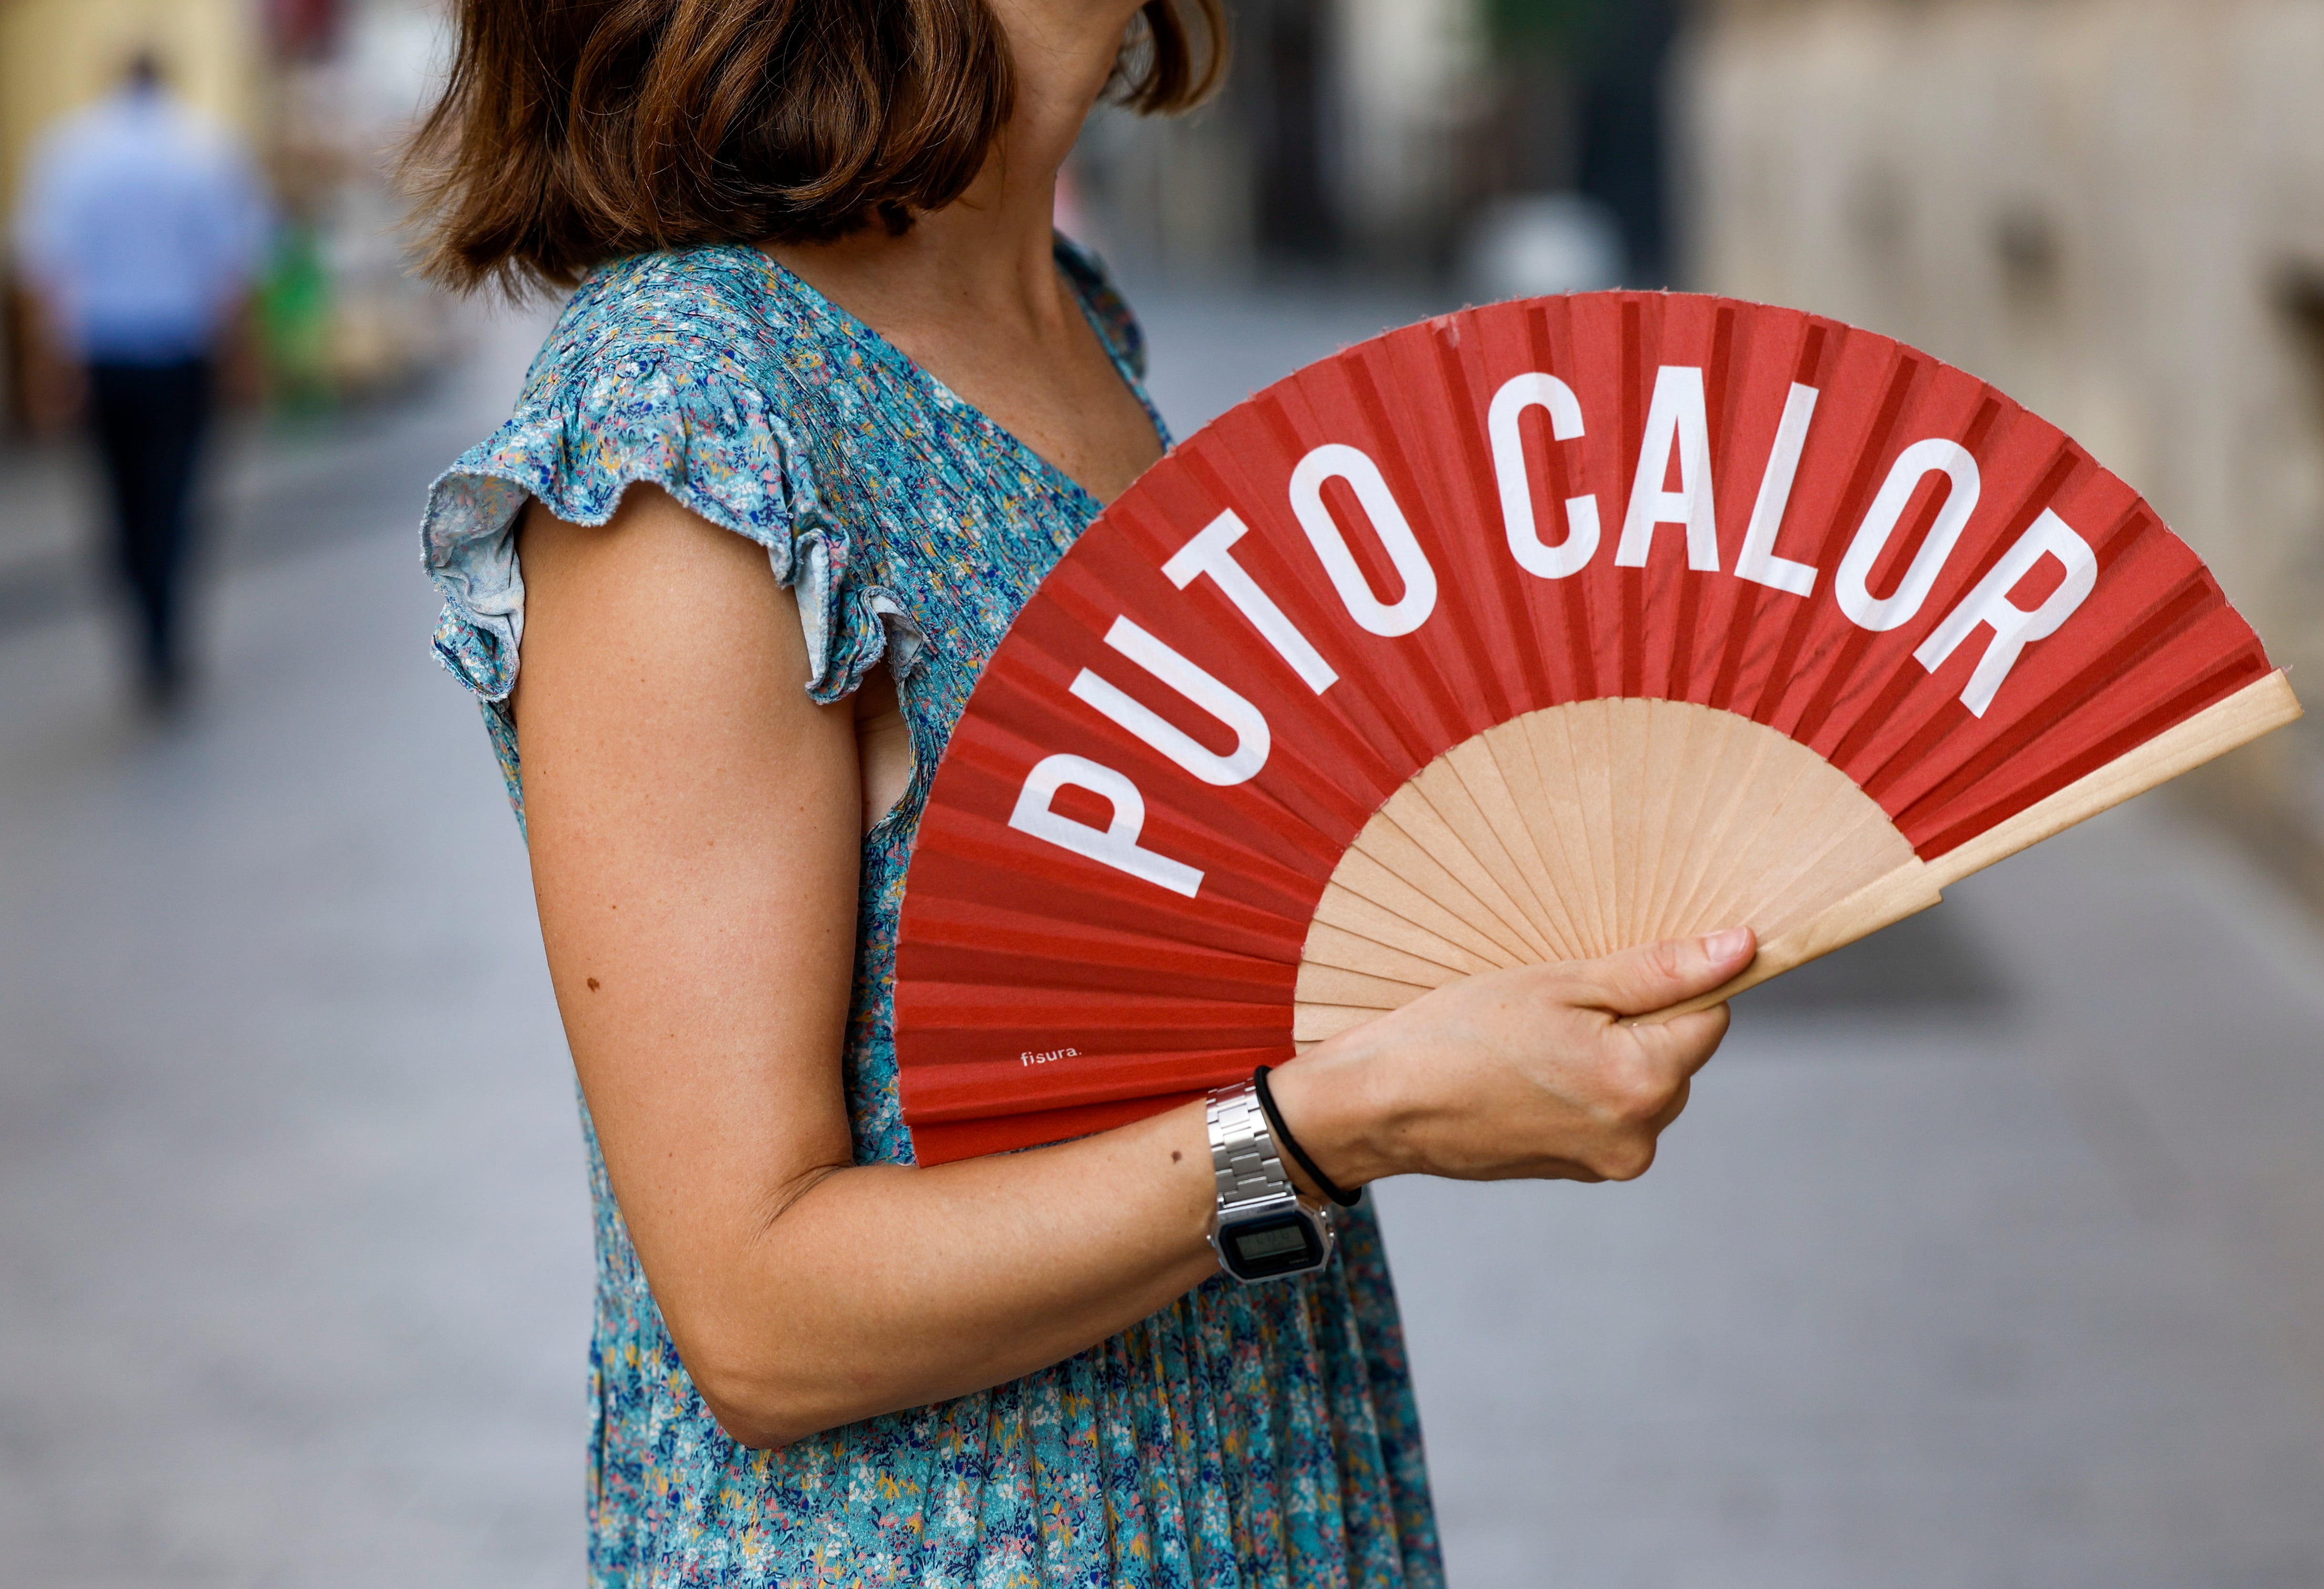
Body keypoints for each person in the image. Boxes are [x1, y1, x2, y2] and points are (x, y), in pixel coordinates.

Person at [410, 1, 1755, 1582]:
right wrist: (1349, 1116)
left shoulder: (1067, 314)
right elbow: (758, 1315)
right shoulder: (692, 413)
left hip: (1255, 1477)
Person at [12, 51, 268, 708]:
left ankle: (145, 623)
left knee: (120, 501)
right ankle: (165, 624)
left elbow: (45, 269)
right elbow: (233, 268)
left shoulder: (69, 154)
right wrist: (243, 360)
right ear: (167, 83)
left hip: (103, 360)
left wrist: (47, 370)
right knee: (176, 495)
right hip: (180, 357)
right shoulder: (205, 149)